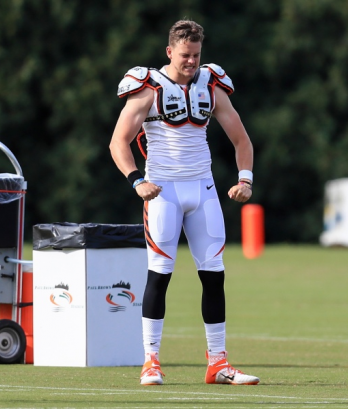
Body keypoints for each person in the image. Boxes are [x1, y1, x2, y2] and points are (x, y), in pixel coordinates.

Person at [109, 19, 259, 386]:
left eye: (196, 55)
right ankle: (151, 361)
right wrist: (137, 181)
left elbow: (242, 139)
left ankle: (218, 364)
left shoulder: (210, 84)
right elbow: (118, 142)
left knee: (214, 276)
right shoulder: (149, 87)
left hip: (203, 189)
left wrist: (245, 179)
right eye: (185, 55)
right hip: (163, 191)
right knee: (159, 275)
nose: (191, 62)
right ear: (169, 52)